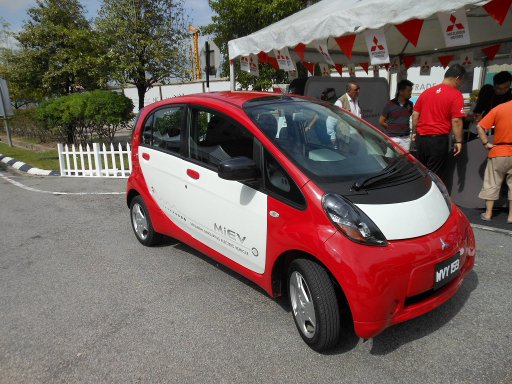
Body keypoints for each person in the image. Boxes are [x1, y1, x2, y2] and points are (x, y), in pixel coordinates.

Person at [411, 64, 465, 177]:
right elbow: (456, 121)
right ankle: (433, 194)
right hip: (438, 140)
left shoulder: (426, 92)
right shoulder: (456, 94)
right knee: (435, 175)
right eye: (461, 81)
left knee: (422, 171)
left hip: (421, 139)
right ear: (457, 78)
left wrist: (414, 132)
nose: (460, 84)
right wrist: (458, 141)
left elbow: (415, 115)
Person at [476, 100, 512, 224]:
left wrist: (486, 142)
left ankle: (488, 213)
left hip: (499, 151)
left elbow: (480, 126)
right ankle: (511, 216)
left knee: (492, 182)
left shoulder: (500, 108)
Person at [379, 79, 414, 151]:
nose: (410, 93)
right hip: (393, 138)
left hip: (406, 138)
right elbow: (381, 121)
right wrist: (392, 128)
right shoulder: (390, 104)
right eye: (409, 91)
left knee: (405, 160)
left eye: (411, 90)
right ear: (401, 91)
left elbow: (408, 117)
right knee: (391, 159)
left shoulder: (410, 104)